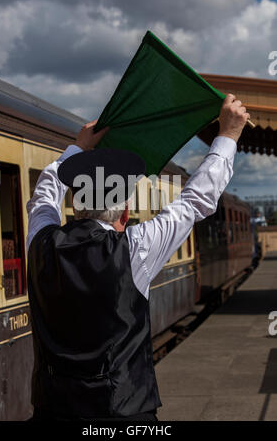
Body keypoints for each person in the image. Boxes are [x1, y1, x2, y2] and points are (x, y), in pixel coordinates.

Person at [26, 93, 249, 421]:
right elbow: (195, 201)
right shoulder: (135, 248)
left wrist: (78, 149)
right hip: (122, 413)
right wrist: (228, 134)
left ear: (75, 207)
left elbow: (44, 195)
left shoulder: (40, 243)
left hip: (52, 411)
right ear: (125, 212)